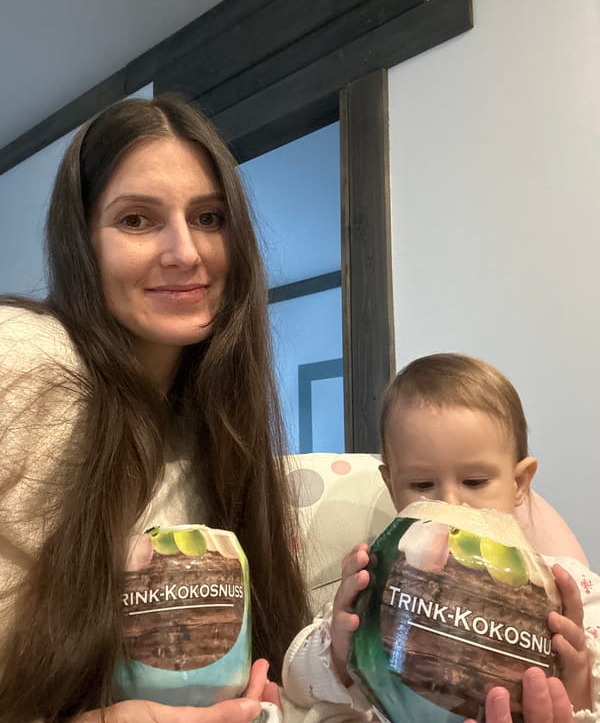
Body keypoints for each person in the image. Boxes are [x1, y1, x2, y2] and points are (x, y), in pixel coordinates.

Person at [0, 95, 311, 722]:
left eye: (209, 217)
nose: (186, 252)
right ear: (82, 242)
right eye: (137, 221)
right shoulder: (23, 356)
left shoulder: (215, 435)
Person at [282, 353, 600, 722]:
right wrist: (339, 651)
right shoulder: (377, 581)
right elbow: (294, 683)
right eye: (421, 485)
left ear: (519, 484)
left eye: (475, 482)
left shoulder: (568, 590)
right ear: (392, 487)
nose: (451, 503)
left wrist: (576, 680)